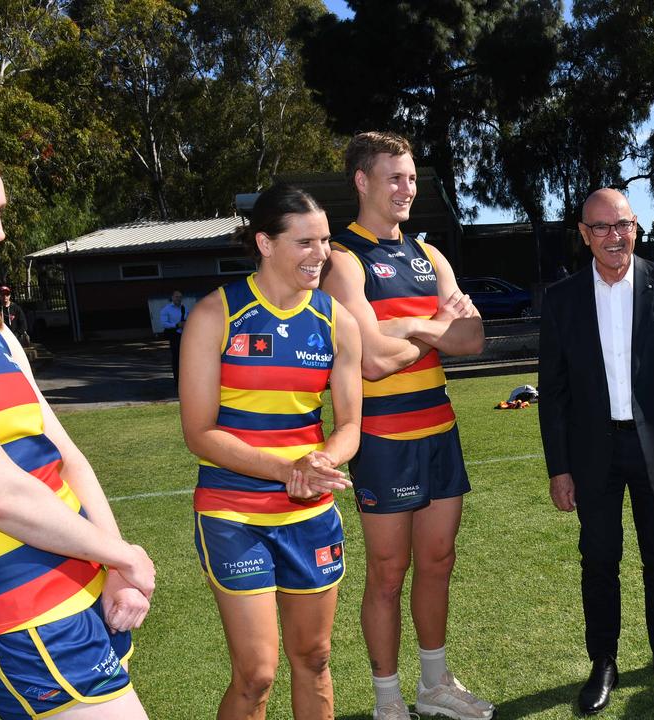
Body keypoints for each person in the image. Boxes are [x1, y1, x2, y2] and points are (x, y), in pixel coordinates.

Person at [0, 128, 157, 719]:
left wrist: (115, 561)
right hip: (15, 608)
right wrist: (123, 554)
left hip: (82, 584)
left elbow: (66, 455)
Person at [320, 131, 490, 720]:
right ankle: (388, 700)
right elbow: (366, 358)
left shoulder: (429, 255)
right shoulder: (342, 259)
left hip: (439, 429)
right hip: (384, 438)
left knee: (438, 560)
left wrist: (406, 329)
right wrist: (434, 324)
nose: (406, 188)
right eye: (393, 177)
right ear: (362, 182)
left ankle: (434, 686)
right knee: (389, 572)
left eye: (411, 177)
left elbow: (473, 339)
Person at [179, 184, 362, 720]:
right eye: (305, 242)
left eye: (325, 240)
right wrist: (288, 469)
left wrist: (321, 463)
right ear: (264, 243)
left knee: (315, 656)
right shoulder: (216, 315)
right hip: (233, 514)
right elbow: (200, 432)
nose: (321, 254)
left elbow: (349, 424)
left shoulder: (337, 320)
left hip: (310, 511)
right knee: (257, 675)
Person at [538, 188, 654, 715]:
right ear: (584, 234)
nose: (614, 237)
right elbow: (555, 394)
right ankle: (604, 663)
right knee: (599, 561)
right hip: (593, 454)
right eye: (601, 228)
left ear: (636, 227)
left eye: (623, 225)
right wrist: (559, 468)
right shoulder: (563, 299)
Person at [160, 290, 186, 386]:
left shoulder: (184, 308)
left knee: (184, 358)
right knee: (176, 358)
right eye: (176, 297)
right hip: (174, 336)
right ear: (172, 297)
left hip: (183, 336)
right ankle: (177, 381)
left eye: (180, 297)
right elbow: (164, 323)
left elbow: (186, 318)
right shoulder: (166, 309)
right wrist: (176, 325)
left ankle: (184, 379)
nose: (178, 299)